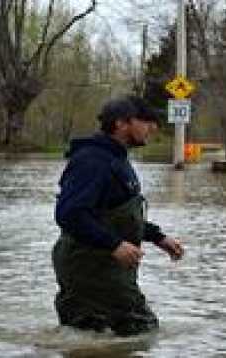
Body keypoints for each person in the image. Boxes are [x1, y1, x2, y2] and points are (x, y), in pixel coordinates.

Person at [53, 95, 184, 336]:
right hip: (90, 267)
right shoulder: (92, 161)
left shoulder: (116, 159)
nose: (152, 128)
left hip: (102, 266)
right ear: (120, 124)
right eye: (144, 121)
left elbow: (117, 214)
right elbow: (70, 214)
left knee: (90, 334)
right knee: (142, 331)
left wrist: (158, 238)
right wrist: (114, 245)